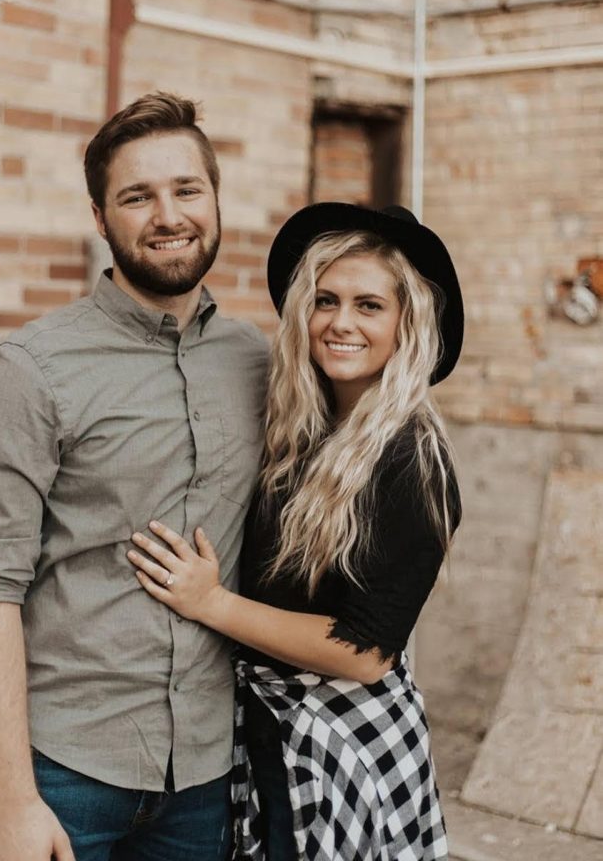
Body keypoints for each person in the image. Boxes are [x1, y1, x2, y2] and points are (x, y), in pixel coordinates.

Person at [0, 91, 269, 861]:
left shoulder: (258, 363)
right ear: (99, 217)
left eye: (186, 189)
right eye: (137, 197)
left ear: (215, 199)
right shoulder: (31, 371)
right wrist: (14, 801)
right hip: (62, 772)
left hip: (205, 776)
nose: (168, 215)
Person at [127, 202, 464, 860]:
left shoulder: (412, 459)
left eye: (369, 306)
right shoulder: (304, 431)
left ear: (407, 324)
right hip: (271, 730)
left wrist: (210, 603)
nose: (341, 323)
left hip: (342, 741)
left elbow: (364, 652)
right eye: (325, 301)